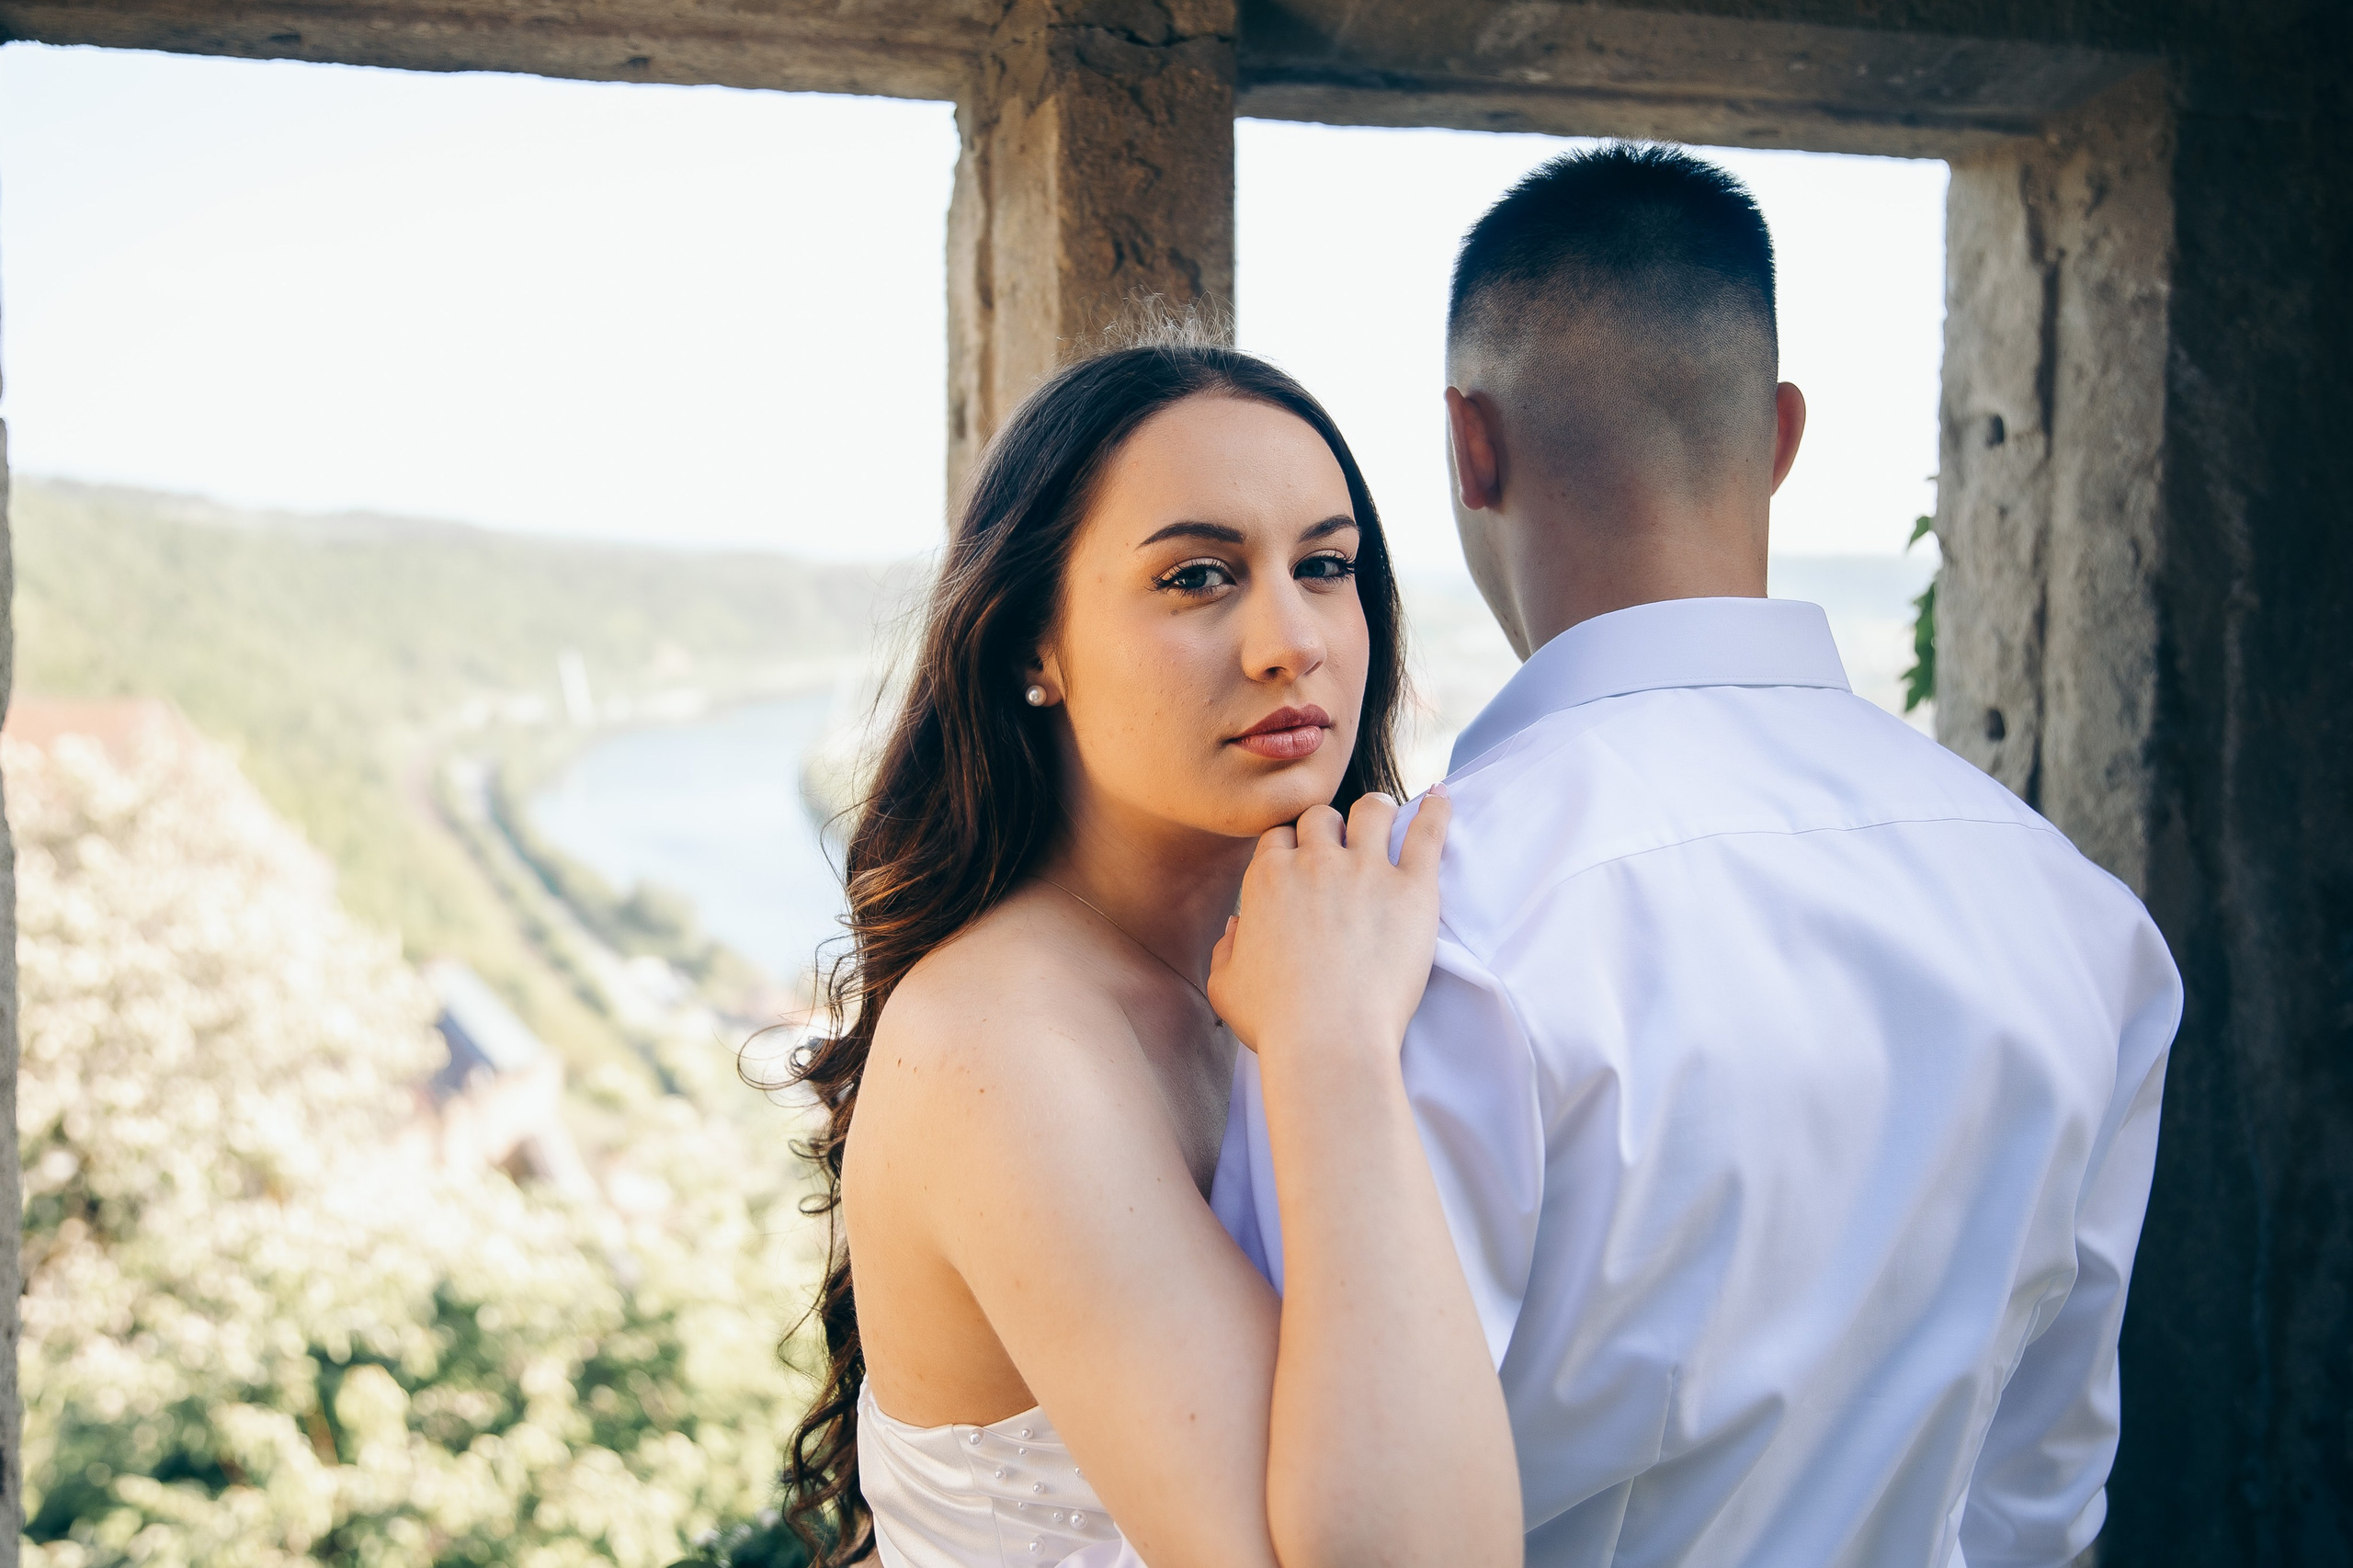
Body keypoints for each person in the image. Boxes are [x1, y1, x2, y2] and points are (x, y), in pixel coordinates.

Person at [1213, 143, 2183, 1566]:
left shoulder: (1409, 930)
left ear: (1469, 448)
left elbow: (1292, 1484)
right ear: (1784, 433)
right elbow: (2039, 1503)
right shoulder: (2085, 923)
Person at [778, 342, 1522, 1568]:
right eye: (1196, 576)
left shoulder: (1327, 941)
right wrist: (1334, 1048)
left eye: (1325, 565)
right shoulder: (997, 1042)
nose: (1293, 639)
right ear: (1035, 646)